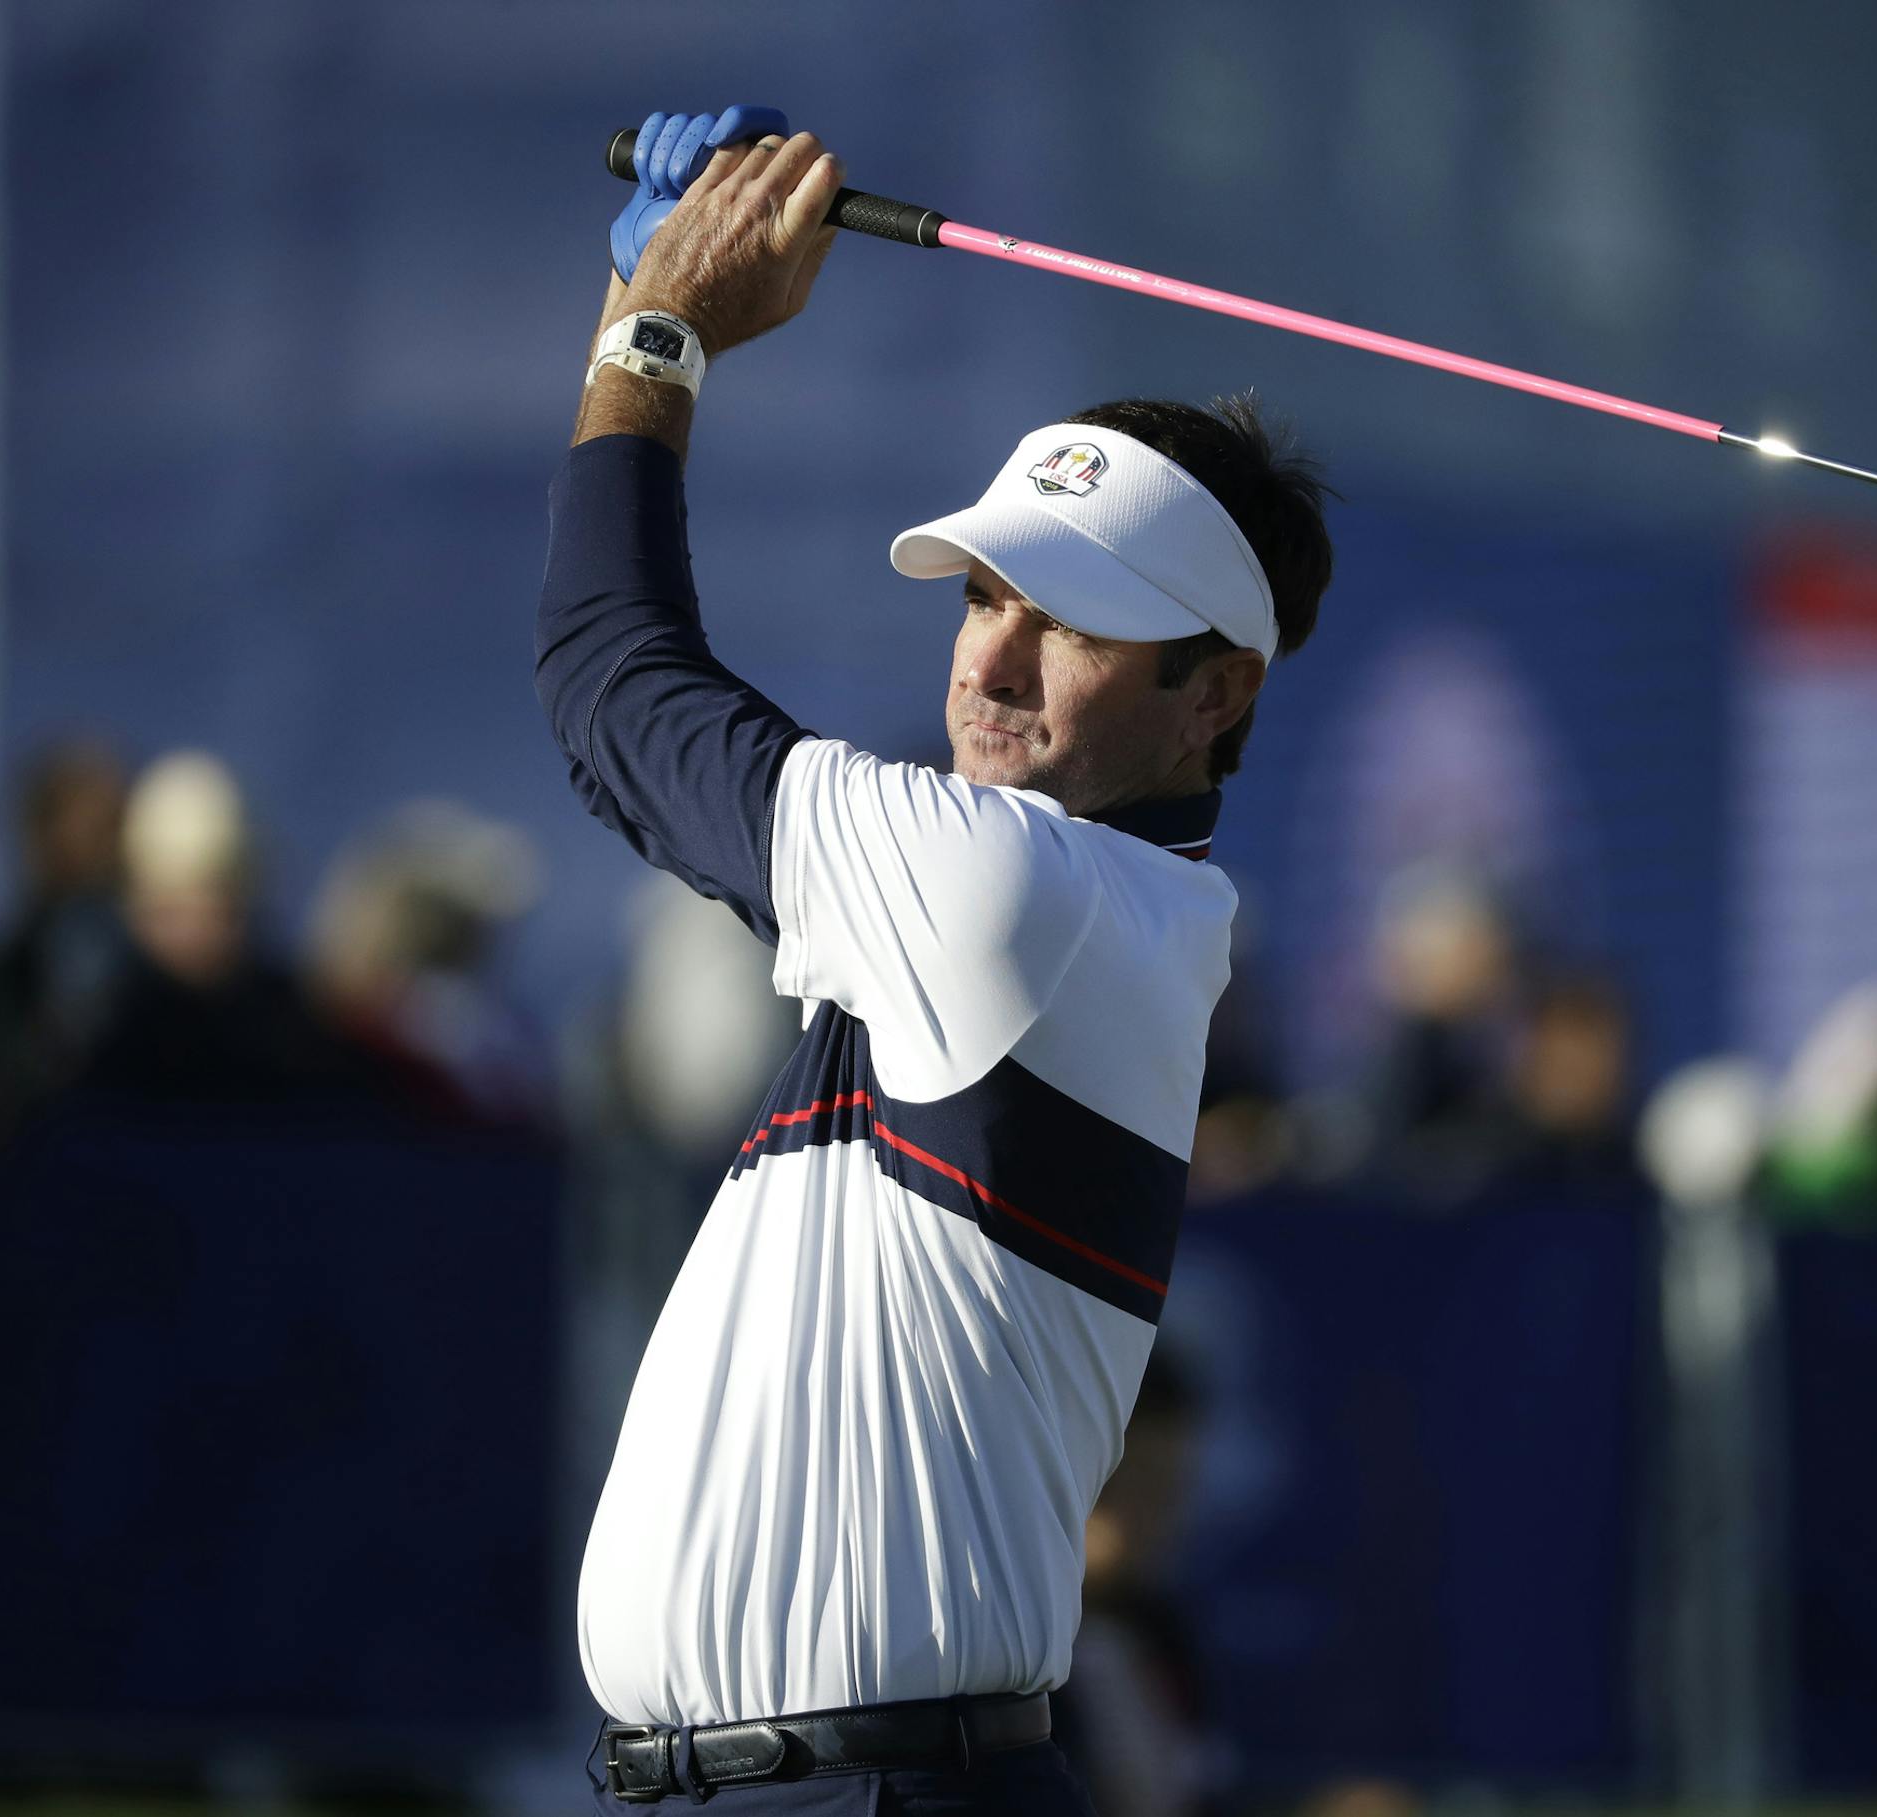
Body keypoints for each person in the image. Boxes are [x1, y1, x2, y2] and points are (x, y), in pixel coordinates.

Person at [537, 113, 1330, 1813]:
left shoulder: (1020, 894)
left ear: (1217, 693)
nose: (996, 658)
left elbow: (611, 681)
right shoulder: (1013, 905)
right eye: (982, 595)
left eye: (1075, 619)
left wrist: (655, 338)